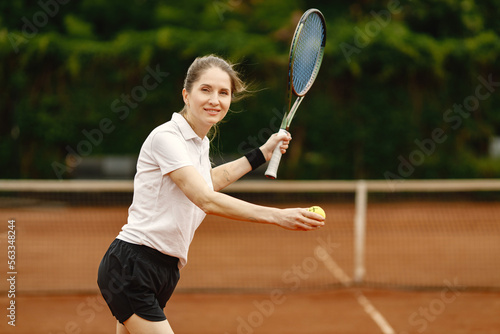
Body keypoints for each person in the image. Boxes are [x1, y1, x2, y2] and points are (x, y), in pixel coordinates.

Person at [97, 55, 325, 334]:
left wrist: (261, 154)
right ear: (186, 94)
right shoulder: (166, 138)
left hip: (164, 269)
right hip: (133, 266)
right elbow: (204, 197)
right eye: (205, 89)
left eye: (223, 92)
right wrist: (277, 216)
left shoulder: (199, 144)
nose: (214, 100)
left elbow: (208, 181)